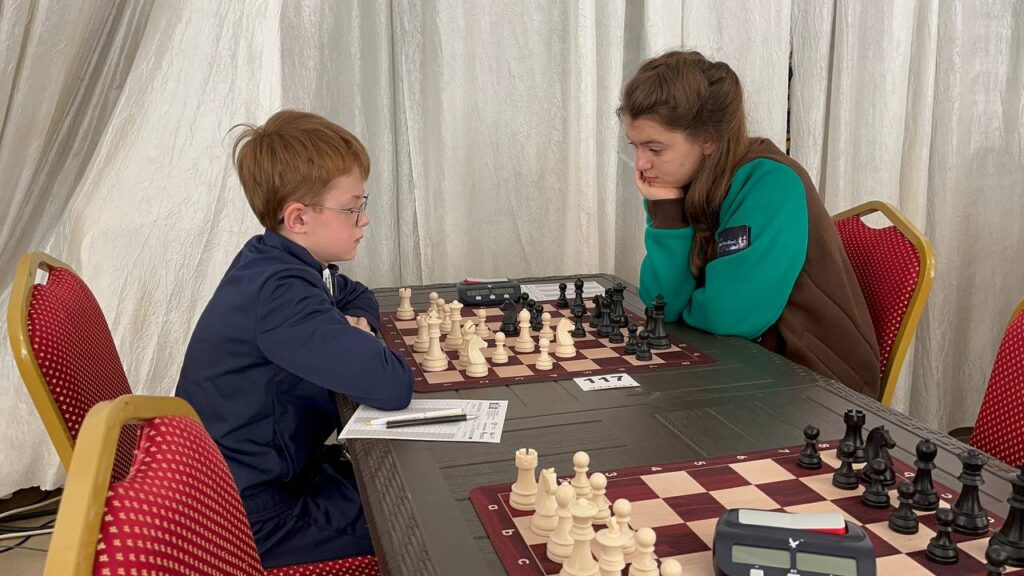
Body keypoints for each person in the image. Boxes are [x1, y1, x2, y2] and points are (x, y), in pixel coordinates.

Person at [176, 110, 413, 567]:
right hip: (252, 515)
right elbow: (391, 385)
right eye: (352, 207)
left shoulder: (276, 260)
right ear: (299, 217)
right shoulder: (281, 293)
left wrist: (357, 329)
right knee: (429, 522)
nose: (364, 220)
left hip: (274, 477)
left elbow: (357, 294)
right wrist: (363, 344)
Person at [619, 50, 880, 398]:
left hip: (814, 384)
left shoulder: (771, 185)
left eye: (655, 149)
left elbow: (729, 318)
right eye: (635, 146)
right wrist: (667, 212)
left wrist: (689, 307)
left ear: (708, 138)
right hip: (735, 363)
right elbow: (661, 307)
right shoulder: (679, 187)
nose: (640, 164)